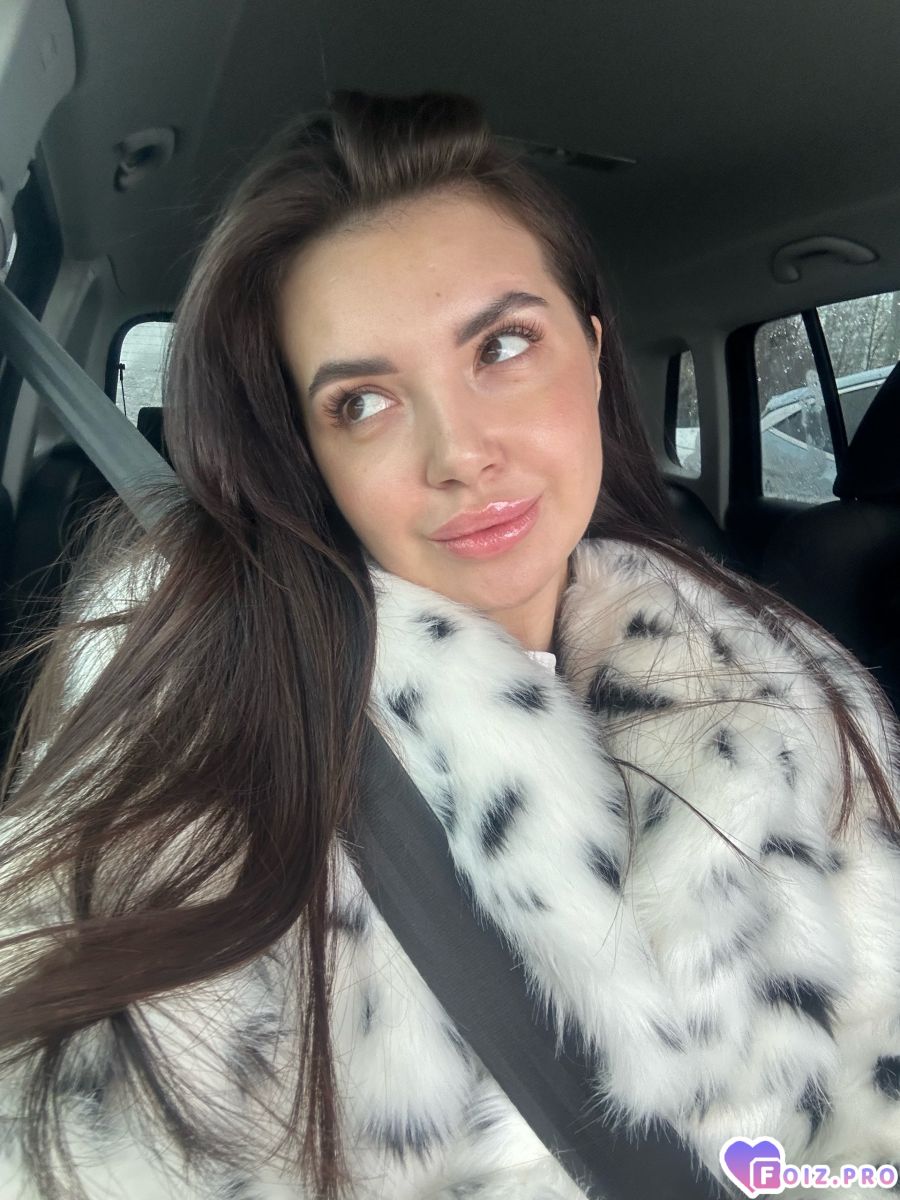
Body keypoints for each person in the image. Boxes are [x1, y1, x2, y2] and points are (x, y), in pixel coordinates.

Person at [1, 90, 899, 1200]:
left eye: (503, 345)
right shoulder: (202, 756)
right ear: (309, 456)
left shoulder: (791, 694)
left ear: (594, 353)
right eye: (362, 403)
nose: (458, 454)